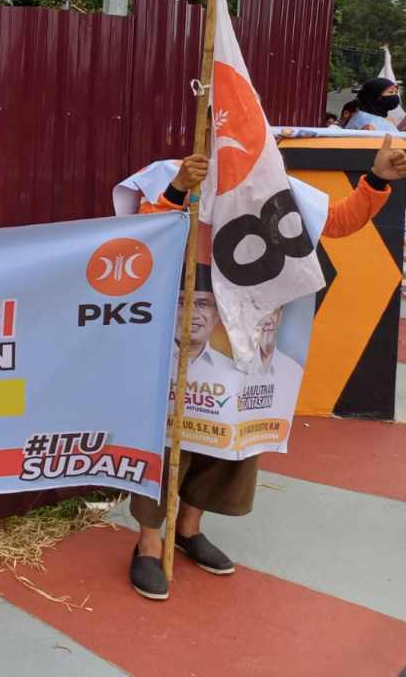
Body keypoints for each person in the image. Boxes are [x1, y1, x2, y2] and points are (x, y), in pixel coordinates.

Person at [125, 138, 406, 600]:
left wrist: (376, 180)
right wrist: (177, 189)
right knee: (169, 436)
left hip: (245, 337)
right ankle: (149, 542)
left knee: (229, 432)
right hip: (180, 335)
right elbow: (140, 236)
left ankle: (189, 528)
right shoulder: (176, 173)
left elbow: (337, 222)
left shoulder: (276, 189)